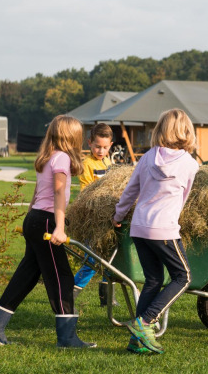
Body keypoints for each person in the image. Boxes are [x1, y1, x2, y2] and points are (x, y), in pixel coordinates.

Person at [0, 115, 96, 348]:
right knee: (61, 277)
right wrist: (60, 227)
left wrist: (29, 218)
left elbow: (36, 191)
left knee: (27, 275)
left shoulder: (47, 157)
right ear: (71, 136)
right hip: (46, 221)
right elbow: (58, 194)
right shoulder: (62, 158)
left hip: (35, 218)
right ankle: (67, 338)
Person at [112, 108, 199, 355]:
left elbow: (131, 191)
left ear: (160, 129)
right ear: (186, 132)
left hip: (139, 228)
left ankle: (136, 342)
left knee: (153, 280)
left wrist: (118, 216)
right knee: (183, 277)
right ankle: (145, 321)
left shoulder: (148, 157)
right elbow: (183, 199)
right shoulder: (190, 164)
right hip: (164, 229)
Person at [73, 123, 116, 308]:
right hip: (93, 218)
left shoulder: (109, 163)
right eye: (97, 146)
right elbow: (87, 193)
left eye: (105, 147)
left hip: (109, 218)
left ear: (110, 145)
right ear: (90, 143)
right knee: (92, 259)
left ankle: (107, 297)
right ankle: (71, 294)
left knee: (111, 258)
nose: (101, 150)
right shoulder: (87, 164)